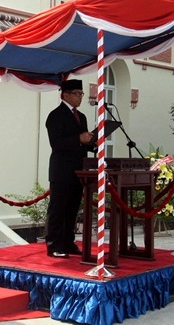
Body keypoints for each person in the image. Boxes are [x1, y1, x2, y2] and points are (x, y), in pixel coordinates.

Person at [45, 79, 96, 258]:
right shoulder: (55, 116)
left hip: (79, 169)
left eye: (81, 94)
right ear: (65, 94)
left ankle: (68, 242)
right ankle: (54, 244)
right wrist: (78, 139)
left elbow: (84, 143)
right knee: (58, 208)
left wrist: (93, 141)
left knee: (73, 208)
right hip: (61, 170)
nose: (80, 97)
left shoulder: (81, 116)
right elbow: (56, 143)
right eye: (76, 94)